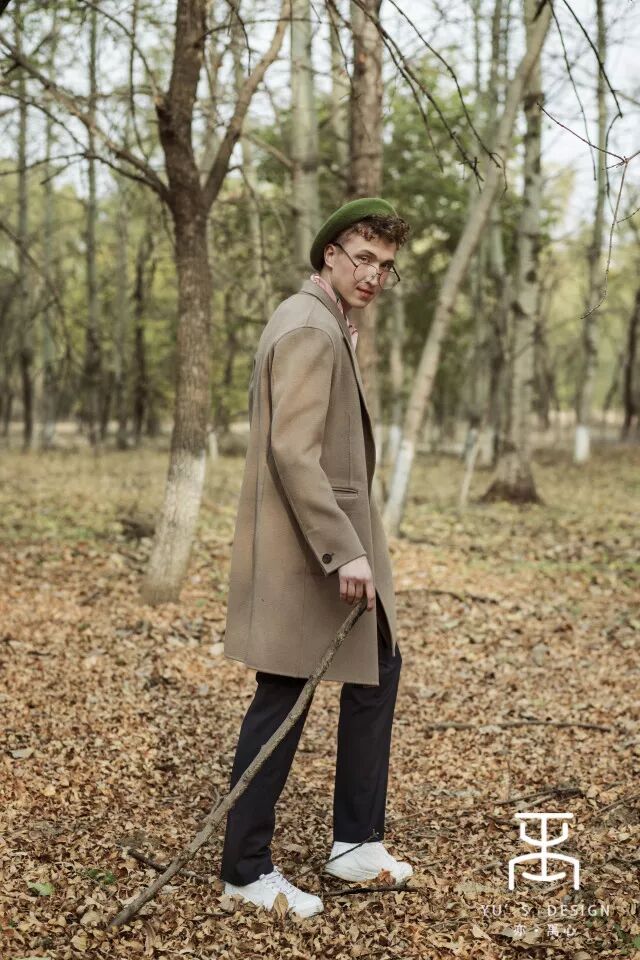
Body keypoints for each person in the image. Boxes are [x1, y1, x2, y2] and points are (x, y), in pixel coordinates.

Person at [220, 198, 412, 918]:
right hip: (310, 550)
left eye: (385, 266)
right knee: (283, 695)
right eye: (363, 257)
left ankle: (356, 843)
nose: (373, 275)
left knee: (378, 667)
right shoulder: (309, 327)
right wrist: (342, 551)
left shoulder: (327, 321)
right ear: (329, 254)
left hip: (330, 542)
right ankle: (245, 871)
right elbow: (292, 452)